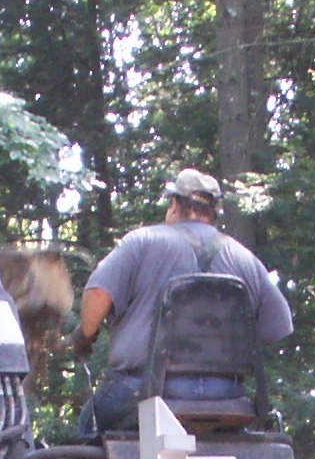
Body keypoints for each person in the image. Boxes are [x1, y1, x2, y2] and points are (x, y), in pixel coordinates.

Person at [71, 168, 293, 436]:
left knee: (90, 422)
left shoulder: (143, 241)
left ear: (175, 204)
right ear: (214, 212)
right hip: (226, 395)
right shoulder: (244, 258)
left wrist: (86, 334)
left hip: (143, 391)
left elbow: (97, 295)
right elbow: (276, 328)